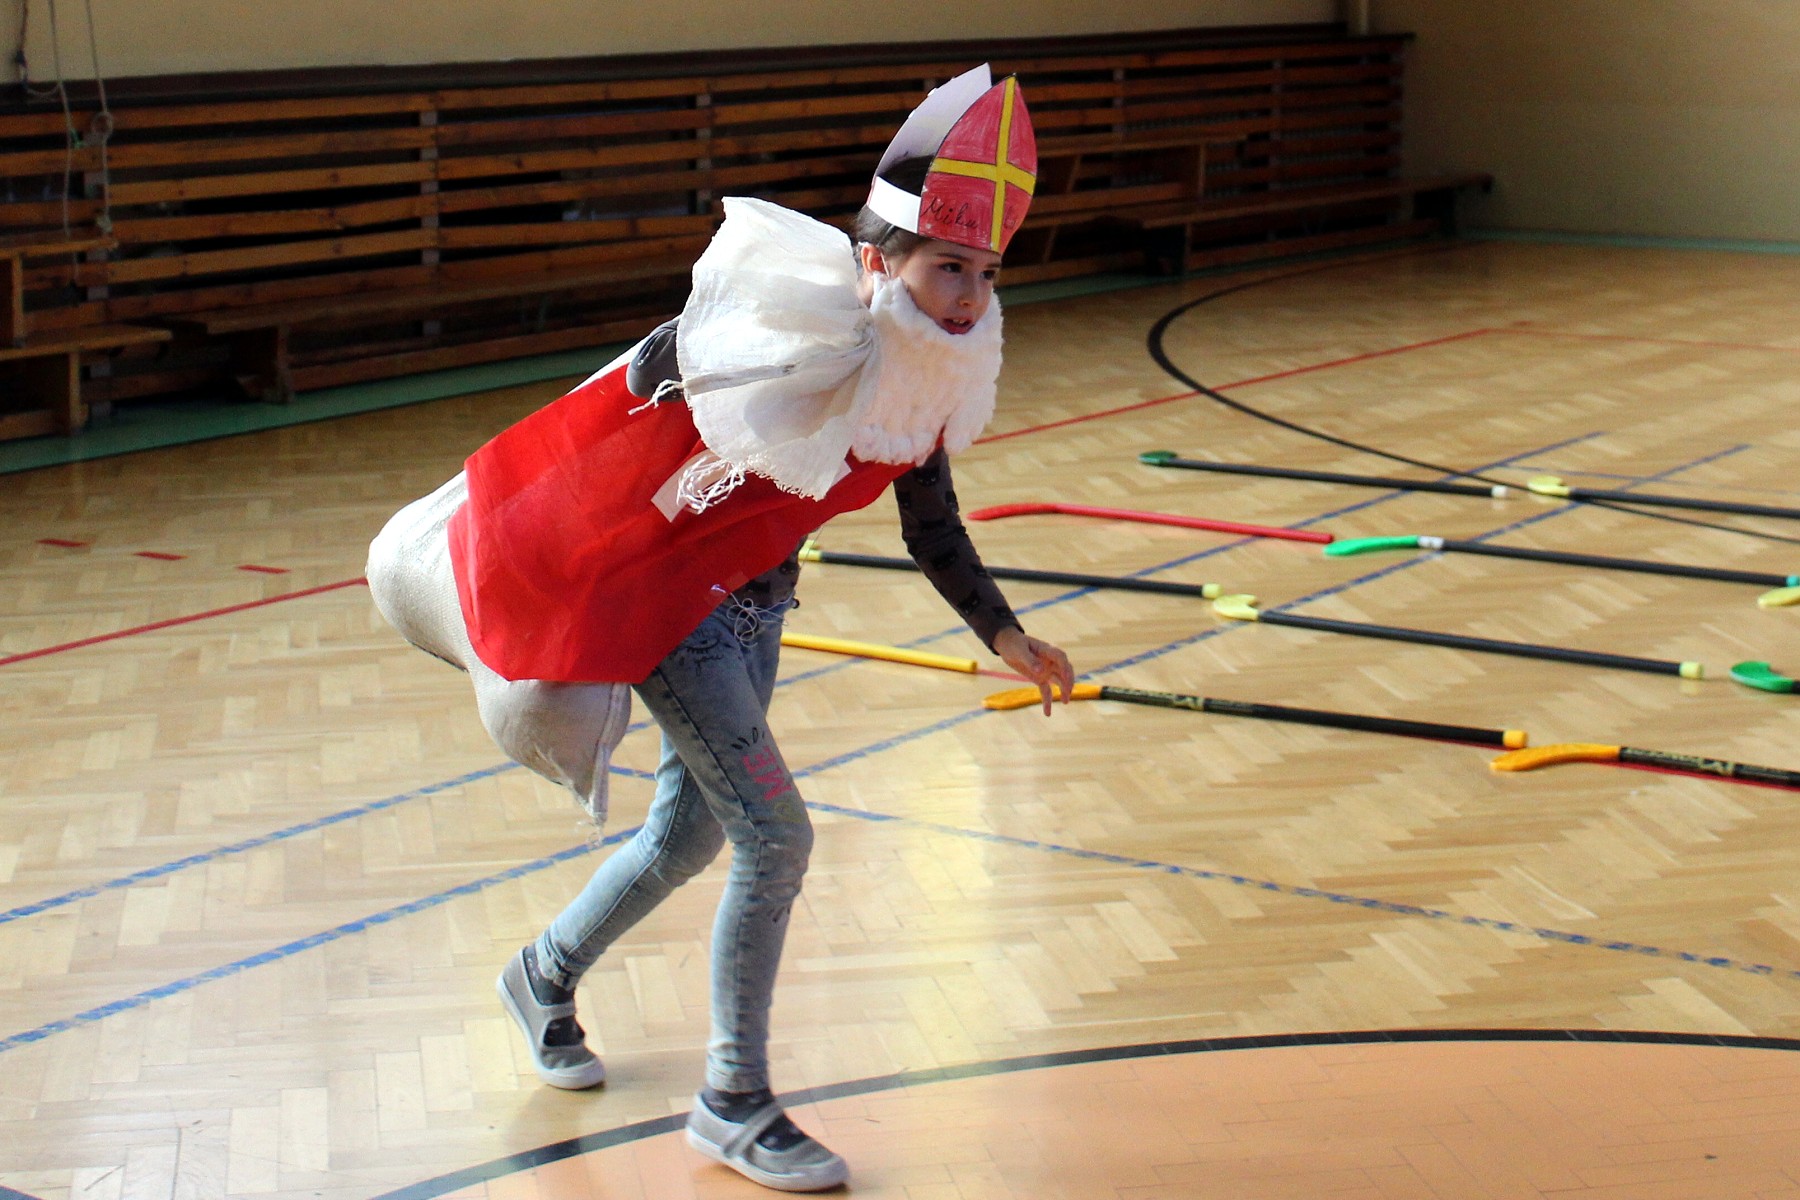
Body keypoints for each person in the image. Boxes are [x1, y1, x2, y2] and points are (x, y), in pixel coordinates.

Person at [368, 64, 1070, 1193]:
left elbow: (931, 524)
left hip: (757, 612)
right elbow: (641, 394)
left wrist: (1007, 636)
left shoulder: (925, 374)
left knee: (691, 835)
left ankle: (542, 974)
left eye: (985, 273)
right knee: (776, 838)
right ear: (878, 263)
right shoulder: (791, 325)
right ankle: (733, 1101)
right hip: (674, 614)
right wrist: (676, 361)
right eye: (948, 267)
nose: (969, 296)